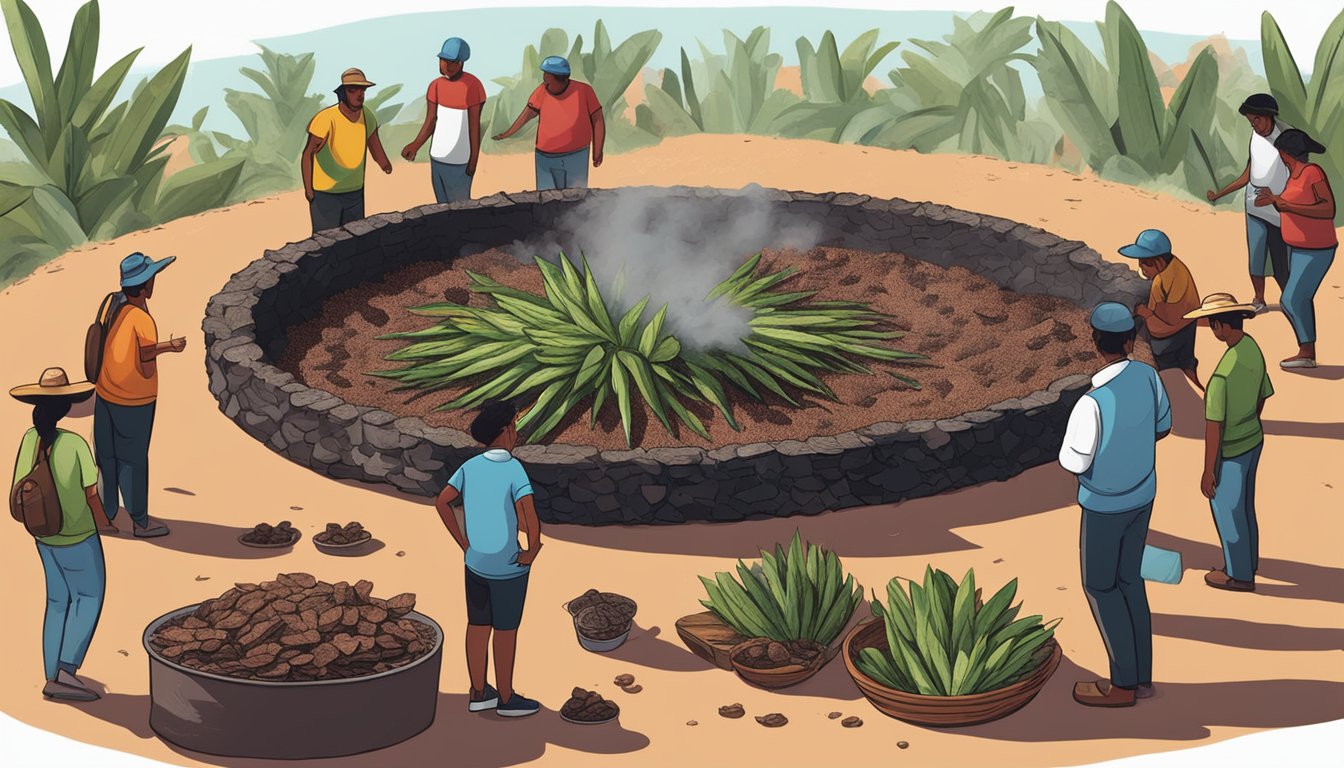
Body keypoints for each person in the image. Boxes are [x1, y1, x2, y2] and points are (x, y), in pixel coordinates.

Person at [1059, 303, 1170, 708]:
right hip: (1143, 495)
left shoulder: (1091, 402)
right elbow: (1163, 425)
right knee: (1130, 582)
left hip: (1105, 506)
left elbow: (1073, 461)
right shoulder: (1147, 376)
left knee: (1100, 586)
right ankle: (1141, 678)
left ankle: (1122, 684)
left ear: (1095, 344)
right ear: (1130, 341)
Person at [11, 367, 117, 701]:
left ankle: (50, 672)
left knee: (57, 602)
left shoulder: (30, 438)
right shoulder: (74, 444)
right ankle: (66, 671)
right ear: (67, 405)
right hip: (77, 533)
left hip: (43, 534)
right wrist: (107, 524)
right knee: (88, 598)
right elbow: (90, 494)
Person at [434, 400, 543, 718]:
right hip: (508, 567)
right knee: (506, 630)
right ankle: (507, 698)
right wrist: (532, 549)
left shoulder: (470, 467)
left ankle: (479, 692)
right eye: (514, 426)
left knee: (478, 626)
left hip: (476, 563)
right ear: (507, 431)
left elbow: (443, 502)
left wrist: (464, 544)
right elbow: (529, 516)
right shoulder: (513, 468)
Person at [1182, 294, 1273, 591]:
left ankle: (1239, 575)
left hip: (1231, 449)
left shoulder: (1222, 374)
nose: (1212, 330)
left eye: (1212, 325)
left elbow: (1214, 428)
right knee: (1246, 506)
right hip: (1253, 439)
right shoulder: (1252, 349)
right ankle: (1248, 562)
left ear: (1221, 325)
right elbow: (1263, 394)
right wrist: (1249, 421)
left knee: (1228, 511)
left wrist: (1209, 471)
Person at [94, 253, 185, 538]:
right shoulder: (141, 318)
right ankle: (140, 521)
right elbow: (145, 355)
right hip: (134, 399)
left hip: (105, 392)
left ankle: (106, 516)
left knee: (106, 457)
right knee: (133, 460)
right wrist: (171, 346)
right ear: (146, 286)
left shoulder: (112, 306)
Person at [1254, 129, 1336, 369]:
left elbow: (1328, 209)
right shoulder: (1294, 175)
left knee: (1291, 298)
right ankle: (1306, 350)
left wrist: (1285, 204)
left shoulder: (1312, 172)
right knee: (1299, 298)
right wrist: (1275, 199)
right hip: (1297, 247)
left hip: (1316, 248)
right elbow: (1294, 203)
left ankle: (1307, 352)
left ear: (1286, 152)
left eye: (1280, 151)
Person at [1206, 93, 1291, 313]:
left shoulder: (1287, 138)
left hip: (1280, 210)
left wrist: (1281, 200)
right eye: (1251, 122)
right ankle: (1259, 299)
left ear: (1270, 116)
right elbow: (1249, 173)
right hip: (1254, 208)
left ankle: (1289, 300)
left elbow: (1299, 174)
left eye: (1257, 120)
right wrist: (1219, 194)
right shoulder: (1255, 138)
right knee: (1256, 257)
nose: (1254, 126)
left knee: (1282, 260)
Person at [491, 56, 604, 191]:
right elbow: (527, 114)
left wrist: (598, 150)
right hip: (545, 158)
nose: (544, 84)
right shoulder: (542, 91)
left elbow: (598, 119)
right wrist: (507, 133)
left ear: (561, 79)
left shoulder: (584, 91)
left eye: (547, 80)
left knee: (576, 199)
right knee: (546, 200)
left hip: (576, 156)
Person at [302, 68, 394, 232]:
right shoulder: (326, 119)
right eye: (353, 90)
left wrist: (384, 164)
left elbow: (373, 142)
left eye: (362, 90)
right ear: (343, 93)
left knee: (355, 242)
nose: (359, 94)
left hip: (355, 193)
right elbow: (308, 153)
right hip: (326, 195)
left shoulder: (367, 115)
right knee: (325, 243)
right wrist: (309, 189)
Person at [400, 38, 487, 203]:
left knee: (460, 208)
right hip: (437, 158)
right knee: (441, 207)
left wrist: (474, 159)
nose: (444, 65)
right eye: (442, 60)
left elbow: (474, 127)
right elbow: (431, 120)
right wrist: (416, 144)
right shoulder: (435, 86)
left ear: (460, 63)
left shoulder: (473, 85)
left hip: (460, 161)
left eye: (450, 61)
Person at [1119, 228, 1203, 391]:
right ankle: (1200, 393)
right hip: (1187, 324)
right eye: (1140, 262)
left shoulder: (1164, 279)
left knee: (1168, 368)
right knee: (1187, 363)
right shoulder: (1176, 266)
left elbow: (1169, 318)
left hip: (1171, 334)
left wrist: (1147, 314)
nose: (1143, 268)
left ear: (1159, 261)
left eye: (1147, 263)